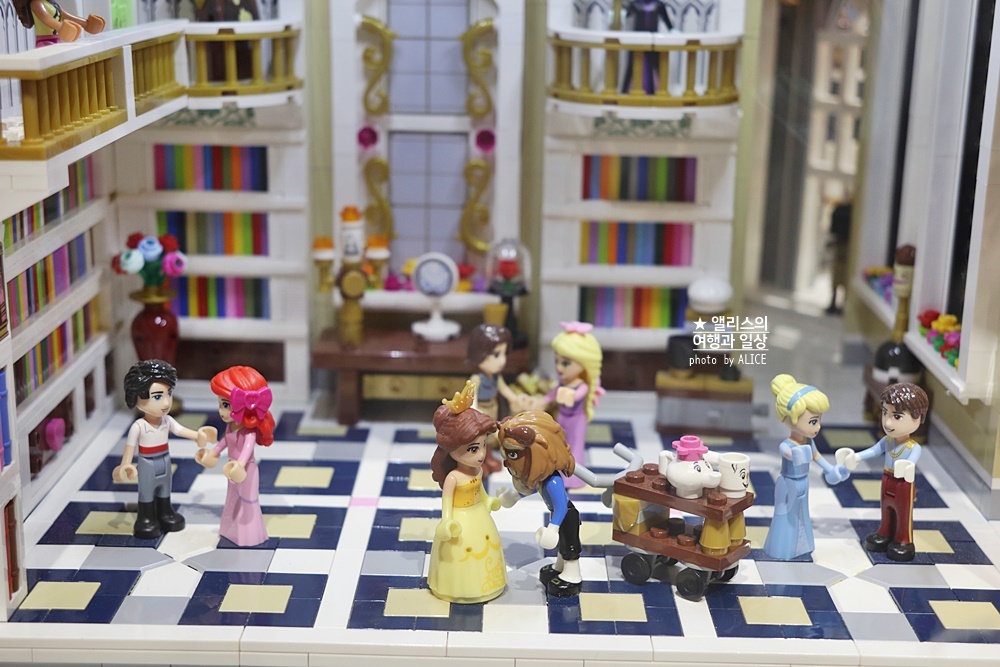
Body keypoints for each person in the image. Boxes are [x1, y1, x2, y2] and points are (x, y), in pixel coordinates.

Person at [113, 360, 215, 539]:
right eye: (158, 397)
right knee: (146, 491)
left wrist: (197, 436)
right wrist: (126, 465)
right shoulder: (139, 426)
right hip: (147, 462)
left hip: (165, 459)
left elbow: (180, 430)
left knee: (165, 488)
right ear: (136, 397)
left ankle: (165, 512)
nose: (166, 402)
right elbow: (130, 447)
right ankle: (146, 518)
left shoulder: (166, 421)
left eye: (169, 394)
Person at [428, 381, 506, 603]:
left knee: (486, 548)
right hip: (459, 520)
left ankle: (489, 584)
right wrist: (446, 521)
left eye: (483, 445)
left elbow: (481, 490)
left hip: (478, 514)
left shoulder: (478, 471)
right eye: (473, 449)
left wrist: (489, 501)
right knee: (461, 554)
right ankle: (457, 589)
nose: (481, 455)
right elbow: (446, 502)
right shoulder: (453, 478)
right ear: (451, 449)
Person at [837, 382, 929, 562]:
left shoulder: (913, 447)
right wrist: (856, 457)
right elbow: (874, 450)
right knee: (886, 507)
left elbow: (911, 462)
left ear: (917, 417)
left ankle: (903, 540)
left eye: (897, 416)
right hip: (887, 478)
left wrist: (907, 467)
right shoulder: (888, 441)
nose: (887, 422)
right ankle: (885, 532)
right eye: (885, 413)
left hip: (903, 483)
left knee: (903, 513)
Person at [763, 374, 849, 559]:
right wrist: (795, 455)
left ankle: (801, 546)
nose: (818, 427)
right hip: (788, 484)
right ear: (791, 418)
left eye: (818, 420)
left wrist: (832, 469)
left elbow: (818, 457)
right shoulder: (788, 444)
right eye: (813, 421)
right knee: (786, 516)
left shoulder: (809, 442)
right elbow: (787, 452)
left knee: (802, 514)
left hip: (804, 482)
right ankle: (783, 549)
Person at [497, 411, 581, 597]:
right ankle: (560, 568)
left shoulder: (553, 482)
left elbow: (561, 506)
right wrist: (514, 496)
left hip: (566, 516)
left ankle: (573, 575)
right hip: (559, 516)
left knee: (569, 546)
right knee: (563, 547)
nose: (507, 463)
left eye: (513, 454)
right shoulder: (543, 480)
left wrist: (553, 528)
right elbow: (534, 489)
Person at [195, 366, 274, 547]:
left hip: (245, 470)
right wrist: (214, 452)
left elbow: (246, 451)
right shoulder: (231, 426)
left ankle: (249, 536)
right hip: (232, 469)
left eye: (226, 405)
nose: (220, 411)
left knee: (248, 501)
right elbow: (225, 441)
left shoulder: (248, 432)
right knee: (232, 498)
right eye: (221, 404)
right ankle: (230, 530)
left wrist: (239, 464)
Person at [525, 321, 603, 489]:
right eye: (557, 361)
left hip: (576, 419)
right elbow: (553, 393)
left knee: (575, 448)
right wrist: (543, 401)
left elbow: (575, 396)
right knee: (560, 445)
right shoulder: (563, 382)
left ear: (584, 363)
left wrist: (568, 396)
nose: (559, 367)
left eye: (566, 363)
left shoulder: (582, 386)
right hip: (562, 417)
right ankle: (559, 473)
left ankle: (574, 478)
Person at [467, 323, 524, 473]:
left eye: (504, 354)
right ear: (480, 354)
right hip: (481, 410)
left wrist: (514, 399)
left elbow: (504, 388)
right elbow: (472, 396)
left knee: (491, 435)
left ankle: (489, 457)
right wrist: (474, 410)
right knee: (480, 437)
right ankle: (480, 460)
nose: (502, 361)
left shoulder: (496, 377)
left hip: (493, 407)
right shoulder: (477, 378)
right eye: (497, 355)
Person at [14, 0, 104, 47]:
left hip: (57, 40)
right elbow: (46, 18)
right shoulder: (36, 3)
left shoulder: (52, 4)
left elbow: (64, 15)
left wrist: (85, 24)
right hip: (45, 42)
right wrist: (61, 27)